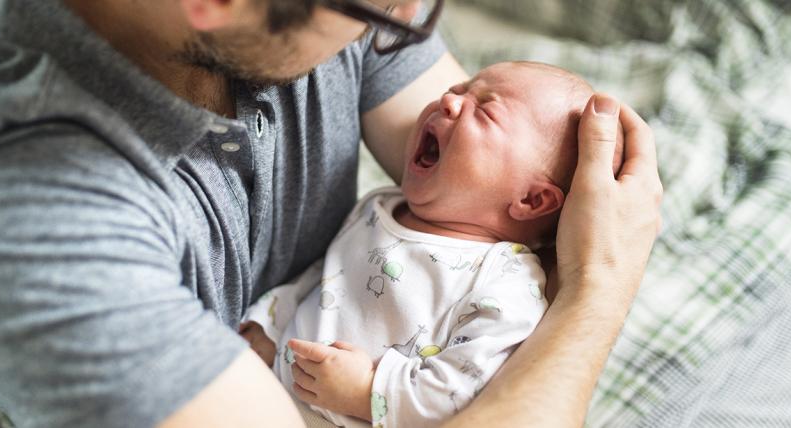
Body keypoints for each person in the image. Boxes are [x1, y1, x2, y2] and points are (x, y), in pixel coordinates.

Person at [0, 1, 662, 427]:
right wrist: (598, 287)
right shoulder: (13, 204)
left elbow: (489, 197)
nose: (407, 14)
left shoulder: (318, 15)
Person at [237, 61, 624, 427]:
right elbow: (326, 280)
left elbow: (462, 390)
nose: (449, 101)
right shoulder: (381, 206)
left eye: (486, 111)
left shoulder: (507, 282)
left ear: (531, 201)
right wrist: (269, 325)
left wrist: (368, 389)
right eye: (459, 89)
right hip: (264, 391)